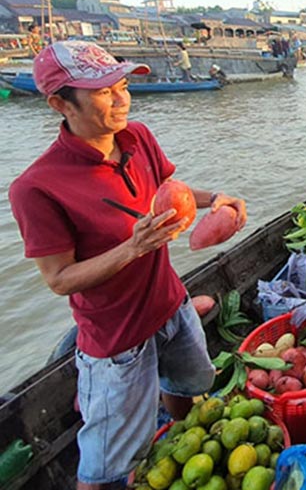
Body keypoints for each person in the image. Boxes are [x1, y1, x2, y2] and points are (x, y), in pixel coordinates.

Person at [8, 41, 248, 490]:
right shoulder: (36, 188)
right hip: (117, 342)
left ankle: (183, 438)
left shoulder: (137, 138)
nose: (121, 99)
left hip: (173, 306)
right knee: (105, 466)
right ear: (61, 103)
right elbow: (59, 279)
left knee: (189, 386)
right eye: (103, 92)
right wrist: (131, 249)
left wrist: (215, 200)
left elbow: (169, 188)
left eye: (121, 86)